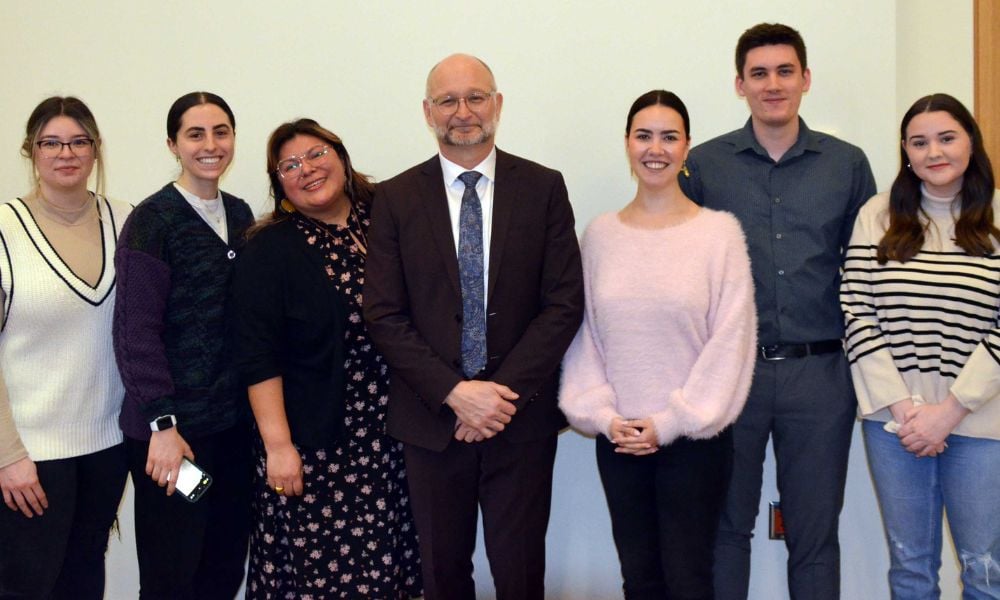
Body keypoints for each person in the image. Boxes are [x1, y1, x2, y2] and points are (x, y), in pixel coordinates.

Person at [364, 53, 584, 600]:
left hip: (520, 420)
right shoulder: (394, 198)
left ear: (498, 104)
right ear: (427, 112)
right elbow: (383, 313)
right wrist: (456, 394)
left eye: (475, 97)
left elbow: (562, 304)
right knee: (441, 576)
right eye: (447, 101)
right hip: (430, 423)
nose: (463, 112)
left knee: (520, 575)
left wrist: (497, 398)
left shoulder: (544, 188)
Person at [679, 23, 877, 600]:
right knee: (724, 528)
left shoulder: (847, 164)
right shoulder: (705, 165)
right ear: (739, 84)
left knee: (815, 535)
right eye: (759, 74)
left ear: (805, 79)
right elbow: (682, 270)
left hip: (820, 376)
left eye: (785, 71)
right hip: (731, 374)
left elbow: (867, 271)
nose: (773, 84)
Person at [559, 90, 757, 600]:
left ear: (687, 146)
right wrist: (605, 419)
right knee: (639, 580)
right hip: (620, 439)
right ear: (627, 144)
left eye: (669, 136)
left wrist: (669, 423)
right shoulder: (599, 235)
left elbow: (730, 343)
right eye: (644, 135)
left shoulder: (720, 235)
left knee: (689, 580)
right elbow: (585, 340)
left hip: (695, 442)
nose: (656, 148)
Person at [232, 118, 422, 599]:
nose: (308, 169)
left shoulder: (386, 218)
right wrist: (278, 447)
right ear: (279, 183)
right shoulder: (269, 249)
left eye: (317, 153)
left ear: (341, 155)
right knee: (327, 579)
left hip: (394, 439)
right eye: (290, 165)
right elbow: (258, 358)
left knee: (394, 566)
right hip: (316, 448)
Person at [841, 93, 1000, 599]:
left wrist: (949, 411)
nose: (934, 151)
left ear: (970, 143)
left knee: (985, 569)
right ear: (905, 153)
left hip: (981, 420)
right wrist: (906, 409)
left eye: (946, 137)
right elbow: (856, 309)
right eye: (919, 141)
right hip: (895, 423)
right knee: (910, 568)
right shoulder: (878, 215)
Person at [114, 91, 254, 599]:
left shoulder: (240, 214)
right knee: (173, 573)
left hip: (232, 429)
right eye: (196, 134)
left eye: (221, 131)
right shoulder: (153, 220)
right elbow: (135, 331)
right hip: (173, 438)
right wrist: (162, 423)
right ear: (173, 144)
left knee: (222, 565)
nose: (210, 144)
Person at [0, 96, 130, 599]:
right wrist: (7, 454)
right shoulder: (6, 229)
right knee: (27, 583)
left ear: (95, 150)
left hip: (107, 444)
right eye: (50, 142)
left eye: (79, 141)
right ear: (30, 151)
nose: (65, 153)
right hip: (30, 454)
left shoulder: (127, 219)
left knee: (83, 576)